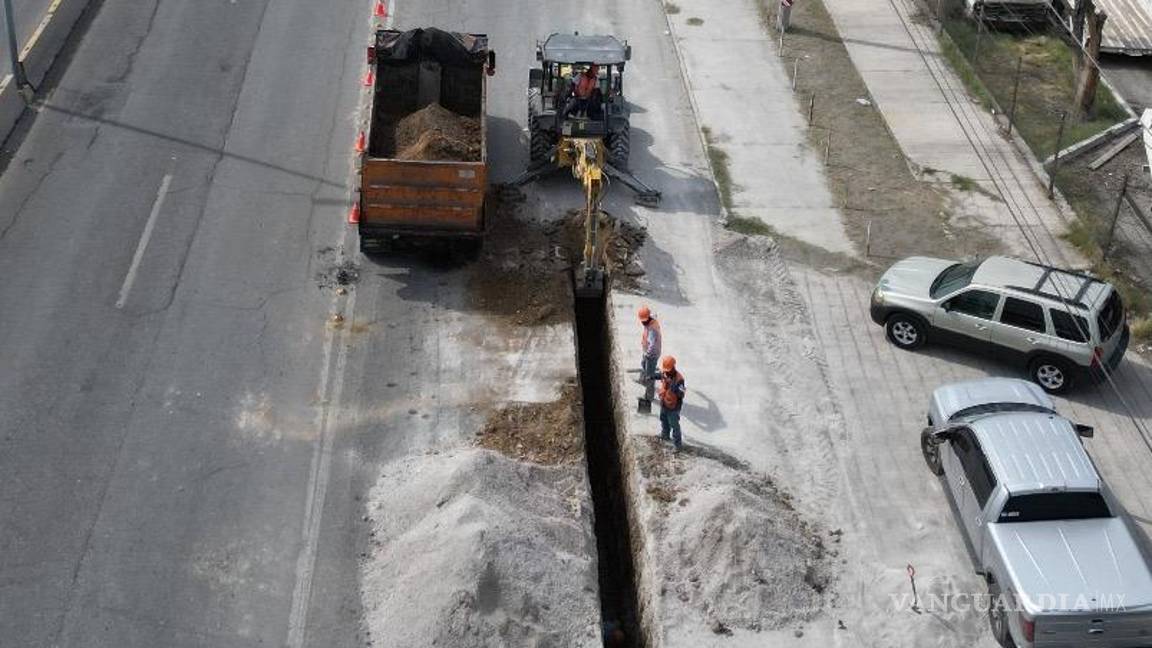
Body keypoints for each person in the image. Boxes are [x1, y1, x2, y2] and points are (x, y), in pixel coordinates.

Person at [657, 355, 686, 450]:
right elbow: (660, 375)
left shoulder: (679, 379)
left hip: (673, 407)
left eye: (668, 370)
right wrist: (651, 376)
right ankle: (665, 436)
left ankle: (677, 445)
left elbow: (681, 394)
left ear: (673, 367)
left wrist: (676, 389)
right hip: (664, 403)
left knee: (674, 425)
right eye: (666, 370)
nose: (666, 372)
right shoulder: (665, 373)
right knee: (664, 420)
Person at [637, 305, 661, 403]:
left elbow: (653, 344)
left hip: (651, 355)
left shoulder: (652, 330)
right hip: (647, 352)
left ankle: (649, 396)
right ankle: (643, 380)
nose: (642, 322)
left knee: (650, 376)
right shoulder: (651, 321)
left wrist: (648, 353)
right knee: (643, 364)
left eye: (643, 321)